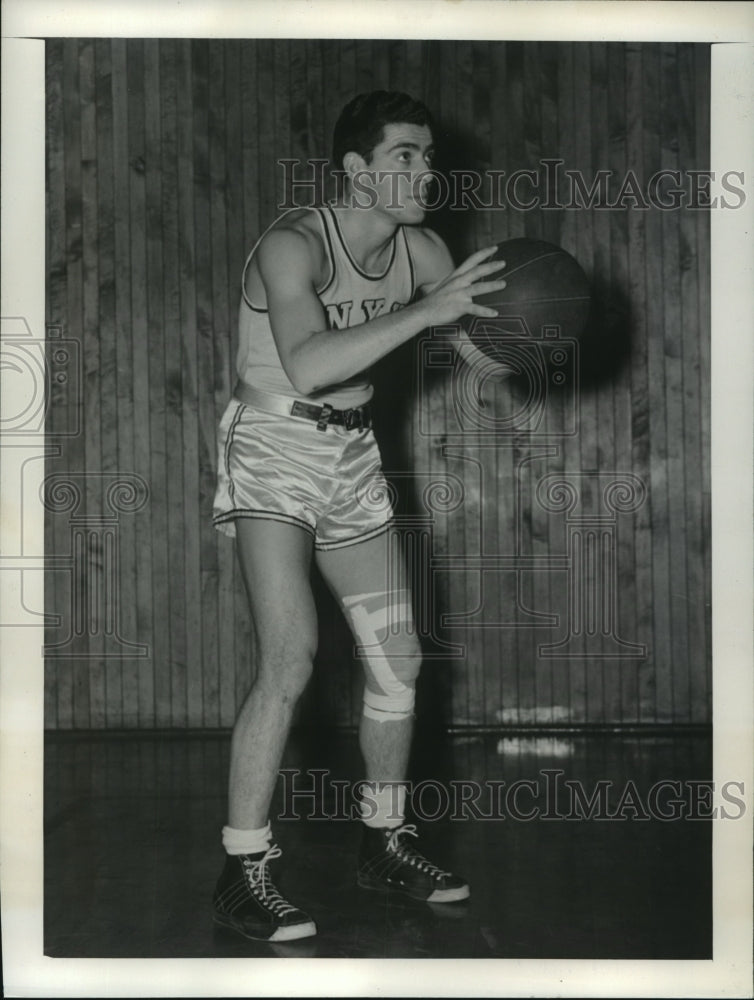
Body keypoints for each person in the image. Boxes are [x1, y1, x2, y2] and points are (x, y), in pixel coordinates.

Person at [211, 90, 506, 943]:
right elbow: (305, 366)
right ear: (356, 171)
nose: (425, 171)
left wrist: (528, 321)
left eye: (427, 155)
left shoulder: (422, 251)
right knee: (292, 656)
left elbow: (476, 344)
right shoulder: (291, 244)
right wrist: (428, 311)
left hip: (353, 456)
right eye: (405, 157)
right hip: (272, 445)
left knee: (399, 655)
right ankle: (242, 865)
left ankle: (385, 838)